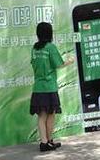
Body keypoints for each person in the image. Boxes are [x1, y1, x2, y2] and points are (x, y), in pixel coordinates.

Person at [30, 22, 74, 152]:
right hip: (49, 87)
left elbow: (33, 64)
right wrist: (70, 61)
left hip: (38, 87)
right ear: (49, 33)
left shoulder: (34, 48)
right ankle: (49, 141)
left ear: (38, 33)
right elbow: (59, 64)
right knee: (51, 114)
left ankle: (44, 143)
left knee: (41, 116)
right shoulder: (50, 47)